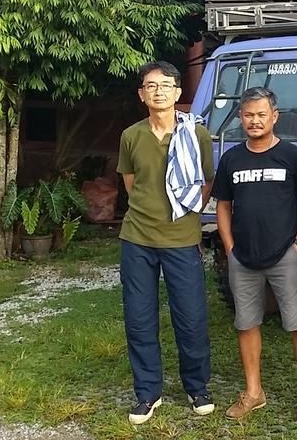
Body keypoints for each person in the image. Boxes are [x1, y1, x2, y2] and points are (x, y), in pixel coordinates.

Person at [211, 87, 297, 426]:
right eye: (248, 115)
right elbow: (222, 206)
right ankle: (253, 392)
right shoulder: (232, 158)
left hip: (285, 255)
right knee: (247, 325)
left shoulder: (291, 156)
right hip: (242, 258)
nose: (255, 121)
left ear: (274, 117)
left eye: (261, 114)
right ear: (241, 119)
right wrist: (230, 248)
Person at [117, 61, 215, 425]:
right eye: (150, 86)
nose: (158, 91)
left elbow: (206, 183)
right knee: (139, 317)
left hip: (181, 237)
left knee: (190, 316)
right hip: (137, 239)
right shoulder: (131, 136)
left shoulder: (196, 135)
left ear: (178, 93)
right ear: (142, 95)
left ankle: (197, 387)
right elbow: (131, 185)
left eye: (166, 85)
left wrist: (185, 213)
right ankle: (147, 392)